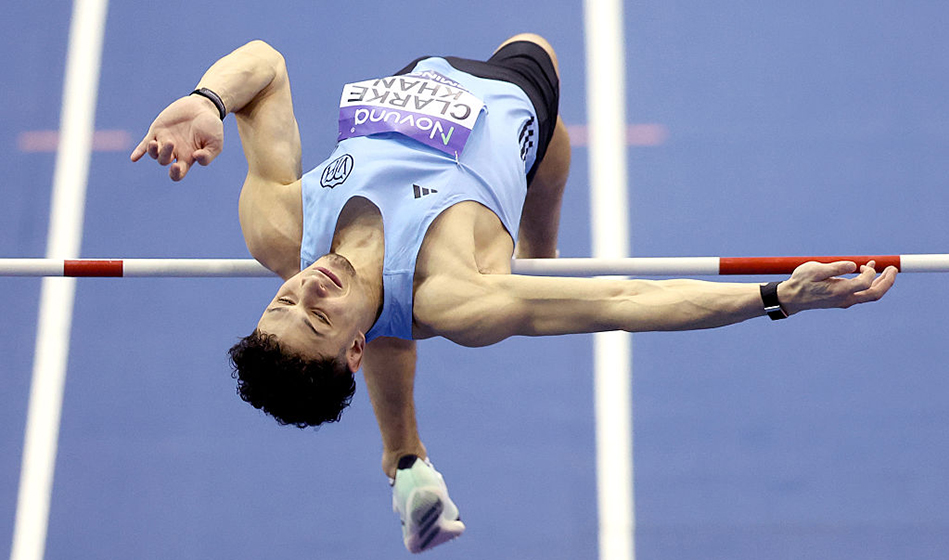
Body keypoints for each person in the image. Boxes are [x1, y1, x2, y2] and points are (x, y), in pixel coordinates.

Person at [130, 35, 897, 553]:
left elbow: (263, 64)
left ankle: (404, 462)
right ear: (350, 351)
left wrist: (206, 100)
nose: (307, 289)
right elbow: (624, 303)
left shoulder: (278, 231)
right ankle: (536, 259)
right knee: (539, 112)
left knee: (385, 299)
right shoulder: (462, 299)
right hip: (510, 93)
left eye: (283, 301)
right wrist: (773, 296)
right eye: (317, 317)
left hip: (413, 79)